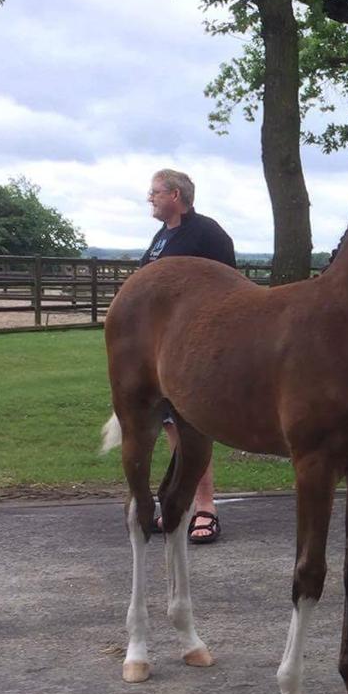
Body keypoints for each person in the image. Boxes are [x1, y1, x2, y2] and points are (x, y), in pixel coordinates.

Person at [141, 168, 237, 545]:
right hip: (160, 351)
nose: (150, 198)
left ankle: (206, 507)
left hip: (195, 351)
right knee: (170, 425)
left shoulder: (207, 233)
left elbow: (231, 290)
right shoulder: (162, 238)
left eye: (155, 192)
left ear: (175, 195)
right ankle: (179, 502)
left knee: (193, 426)